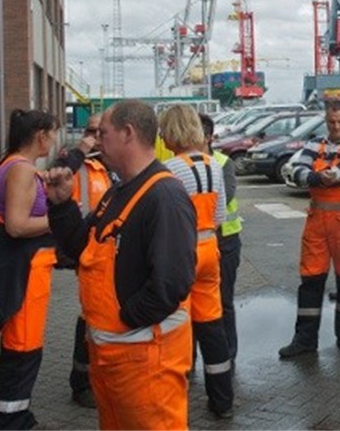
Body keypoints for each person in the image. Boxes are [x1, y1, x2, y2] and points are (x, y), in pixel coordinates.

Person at [45, 100, 197, 430]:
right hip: (115, 359)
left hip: (146, 363)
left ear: (128, 133)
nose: (96, 141)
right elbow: (81, 247)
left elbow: (171, 283)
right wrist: (61, 206)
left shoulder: (165, 196)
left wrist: (126, 319)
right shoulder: (119, 191)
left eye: (103, 133)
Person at [0, 109, 60, 430]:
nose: (54, 140)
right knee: (23, 348)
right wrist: (60, 218)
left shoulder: (13, 165)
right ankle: (11, 421)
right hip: (25, 271)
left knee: (22, 346)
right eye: (52, 133)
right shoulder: (21, 170)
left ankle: (17, 416)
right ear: (40, 135)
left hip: (21, 268)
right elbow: (16, 226)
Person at [159, 105, 234, 419]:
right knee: (212, 325)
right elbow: (220, 216)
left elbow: (166, 222)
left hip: (183, 253)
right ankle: (222, 400)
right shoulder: (213, 165)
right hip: (210, 250)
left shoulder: (169, 169)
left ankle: (177, 395)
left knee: (178, 326)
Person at [279, 99, 340, 358]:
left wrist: (313, 177)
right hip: (317, 222)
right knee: (310, 279)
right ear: (325, 121)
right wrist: (318, 177)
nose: (336, 126)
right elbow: (296, 171)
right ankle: (305, 339)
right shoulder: (314, 143)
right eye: (331, 122)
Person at [55, 114, 115, 410]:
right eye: (91, 131)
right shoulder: (76, 163)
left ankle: (95, 377)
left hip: (106, 255)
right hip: (86, 254)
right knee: (90, 317)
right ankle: (81, 383)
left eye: (102, 132)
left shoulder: (109, 166)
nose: (96, 138)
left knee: (99, 317)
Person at [200, 113, 243, 367]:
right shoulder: (180, 162)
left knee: (224, 301)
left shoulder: (223, 163)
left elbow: (224, 198)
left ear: (208, 137)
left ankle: (228, 353)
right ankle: (191, 357)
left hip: (225, 241)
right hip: (197, 242)